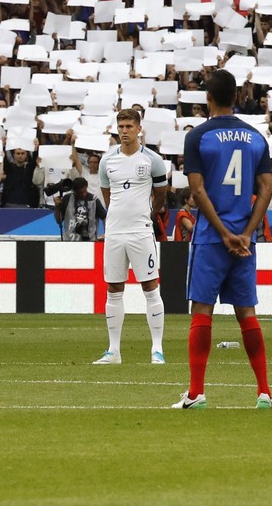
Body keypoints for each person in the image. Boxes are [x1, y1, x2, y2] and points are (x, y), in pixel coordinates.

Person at [173, 68, 272, 410]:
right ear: (238, 97)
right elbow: (267, 188)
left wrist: (224, 233)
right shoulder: (257, 137)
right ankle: (264, 393)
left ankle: (196, 393)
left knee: (202, 310)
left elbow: (197, 190)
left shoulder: (198, 136)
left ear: (208, 99)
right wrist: (246, 233)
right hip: (245, 242)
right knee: (246, 312)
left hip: (211, 238)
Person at [93, 108, 169, 365]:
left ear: (139, 128)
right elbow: (107, 196)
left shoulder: (153, 160)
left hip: (140, 232)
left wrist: (147, 213)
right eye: (121, 126)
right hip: (114, 232)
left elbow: (160, 196)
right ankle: (114, 351)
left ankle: (157, 349)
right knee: (113, 289)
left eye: (129, 126)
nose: (124, 131)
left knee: (150, 287)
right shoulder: (107, 162)